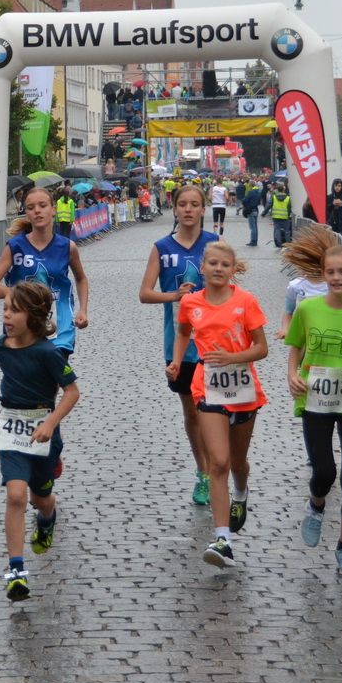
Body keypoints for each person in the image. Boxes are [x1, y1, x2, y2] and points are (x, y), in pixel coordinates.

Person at [168, 241, 269, 569]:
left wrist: (232, 357)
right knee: (218, 463)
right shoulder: (190, 302)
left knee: (238, 463)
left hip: (243, 390)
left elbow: (262, 348)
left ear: (233, 269)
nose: (218, 269)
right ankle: (223, 539)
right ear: (203, 266)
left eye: (224, 264)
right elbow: (183, 333)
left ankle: (241, 494)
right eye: (212, 263)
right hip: (206, 388)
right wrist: (176, 361)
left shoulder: (246, 301)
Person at [283, 237, 342, 576]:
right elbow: (295, 344)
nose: (336, 278)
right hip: (315, 398)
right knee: (324, 471)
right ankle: (316, 504)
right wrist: (291, 373)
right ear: (323, 275)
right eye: (330, 272)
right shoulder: (308, 309)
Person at [0, 282, 81, 601]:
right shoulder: (0, 346)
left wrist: (50, 423)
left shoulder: (49, 352)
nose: (6, 315)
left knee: (40, 498)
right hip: (11, 428)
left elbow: (72, 392)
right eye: (5, 309)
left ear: (33, 315)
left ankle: (48, 516)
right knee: (16, 495)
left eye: (13, 310)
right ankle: (16, 570)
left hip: (44, 430)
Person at [140, 184, 219, 506]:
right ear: (174, 209)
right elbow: (145, 293)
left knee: (214, 409)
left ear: (203, 209)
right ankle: (204, 471)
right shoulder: (162, 247)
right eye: (182, 204)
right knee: (192, 411)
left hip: (215, 343)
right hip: (179, 346)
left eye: (194, 204)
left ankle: (219, 467)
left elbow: (231, 287)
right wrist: (175, 296)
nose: (188, 209)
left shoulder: (215, 244)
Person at [0, 186, 92, 358]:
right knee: (28, 383)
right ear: (26, 212)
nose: (37, 211)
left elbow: (81, 279)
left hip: (60, 324)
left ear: (53, 210)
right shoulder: (15, 246)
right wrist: (26, 294)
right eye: (31, 207)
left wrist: (83, 310)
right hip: (22, 325)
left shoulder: (67, 247)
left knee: (52, 381)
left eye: (43, 206)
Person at [278, 226, 332, 338]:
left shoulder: (336, 285)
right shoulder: (295, 285)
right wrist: (285, 329)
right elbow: (289, 311)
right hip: (303, 338)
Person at [269, 183, 294, 247]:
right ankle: (288, 243)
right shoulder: (288, 198)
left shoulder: (274, 197)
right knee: (287, 230)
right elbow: (289, 208)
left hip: (276, 217)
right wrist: (288, 215)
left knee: (277, 230)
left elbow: (269, 205)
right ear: (283, 190)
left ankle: (279, 243)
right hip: (285, 217)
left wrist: (263, 213)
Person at [242, 180, 263, 247]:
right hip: (256, 210)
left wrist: (246, 205)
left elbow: (244, 200)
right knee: (255, 226)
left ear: (251, 186)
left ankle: (253, 241)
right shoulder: (258, 191)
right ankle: (255, 240)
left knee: (252, 227)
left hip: (251, 210)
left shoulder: (251, 192)